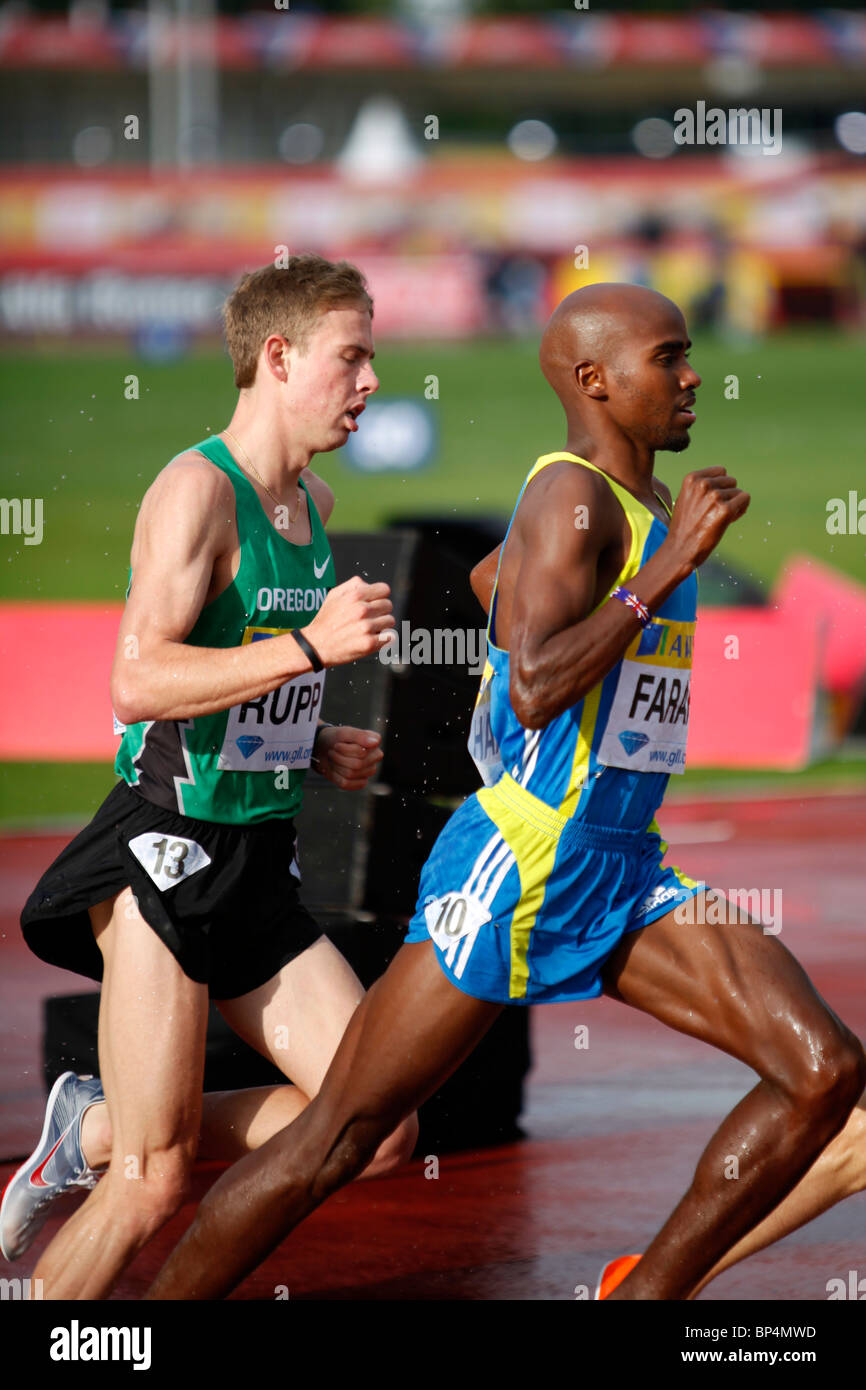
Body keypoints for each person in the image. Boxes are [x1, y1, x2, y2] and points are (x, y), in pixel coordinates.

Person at [141, 282, 866, 1302]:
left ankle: (642, 1296)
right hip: (519, 862)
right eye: (668, 357)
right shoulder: (568, 495)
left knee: (824, 1068)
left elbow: (493, 588)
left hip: (618, 864)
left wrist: (571, 581)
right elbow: (529, 689)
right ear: (594, 382)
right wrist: (658, 577)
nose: (693, 374)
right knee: (338, 1138)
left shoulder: (629, 504)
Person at [0, 254, 417, 1298]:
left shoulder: (310, 499)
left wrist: (305, 742)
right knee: (151, 1182)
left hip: (255, 860)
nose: (371, 382)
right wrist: (310, 652)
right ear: (276, 358)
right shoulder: (198, 491)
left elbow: (235, 677)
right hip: (160, 852)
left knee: (376, 1126)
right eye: (351, 357)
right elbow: (138, 679)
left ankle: (90, 1124)